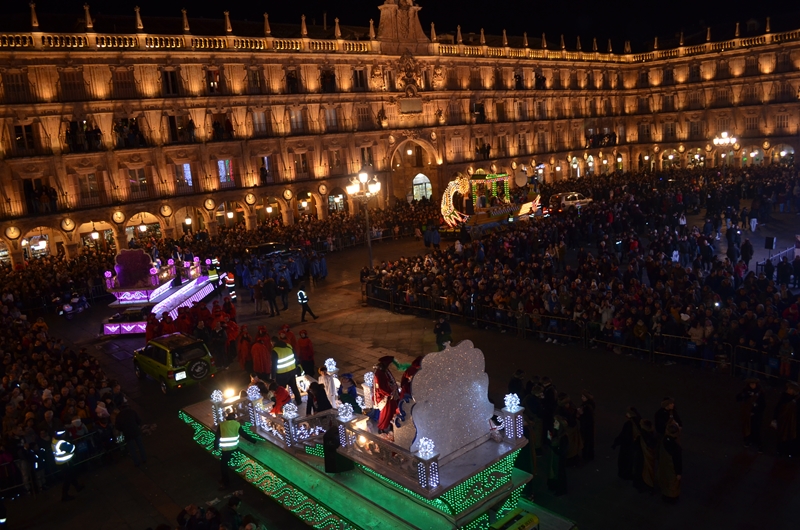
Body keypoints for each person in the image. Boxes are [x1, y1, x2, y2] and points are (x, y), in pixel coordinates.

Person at [214, 412, 260, 490]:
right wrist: (254, 441)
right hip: (234, 448)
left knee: (223, 467)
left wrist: (216, 447)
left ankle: (226, 483)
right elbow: (244, 435)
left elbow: (217, 437)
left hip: (225, 450)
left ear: (227, 418)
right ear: (234, 418)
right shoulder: (237, 424)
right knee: (237, 462)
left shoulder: (221, 425)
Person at [271, 335, 302, 405]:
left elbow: (274, 364)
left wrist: (273, 376)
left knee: (282, 390)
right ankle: (299, 401)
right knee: (294, 387)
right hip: (292, 371)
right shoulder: (288, 346)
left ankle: (284, 403)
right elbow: (295, 357)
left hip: (281, 374)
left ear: (272, 343)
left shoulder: (275, 350)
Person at [52, 430, 82, 501]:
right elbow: (71, 448)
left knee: (71, 475)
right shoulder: (61, 443)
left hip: (61, 463)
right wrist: (72, 444)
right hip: (65, 462)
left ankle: (77, 486)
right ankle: (64, 495)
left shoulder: (54, 441)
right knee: (67, 479)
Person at [736, 379, 766, 451]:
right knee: (747, 426)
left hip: (756, 414)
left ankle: (758, 443)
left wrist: (757, 410)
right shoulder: (746, 391)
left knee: (756, 428)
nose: (752, 385)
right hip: (747, 413)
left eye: (753, 384)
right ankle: (748, 440)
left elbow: (763, 404)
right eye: (751, 384)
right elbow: (738, 398)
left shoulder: (760, 392)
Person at [612, 407, 641, 480]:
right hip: (634, 445)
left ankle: (625, 474)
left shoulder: (628, 424)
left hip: (627, 446)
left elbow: (623, 435)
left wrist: (616, 442)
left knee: (624, 461)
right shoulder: (638, 421)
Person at [115, 402, 147, 467]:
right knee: (140, 446)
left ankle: (136, 462)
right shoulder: (132, 412)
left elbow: (117, 427)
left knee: (132, 449)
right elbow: (139, 420)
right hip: (135, 431)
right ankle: (144, 459)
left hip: (127, 434)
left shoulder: (119, 416)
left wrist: (123, 429)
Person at [657, 422, 682, 503]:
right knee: (672, 483)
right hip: (672, 468)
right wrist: (679, 473)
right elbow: (677, 460)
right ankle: (672, 498)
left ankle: (665, 495)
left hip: (664, 465)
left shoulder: (664, 439)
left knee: (665, 479)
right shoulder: (675, 446)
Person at [373, 356, 399, 433]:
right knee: (386, 413)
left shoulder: (385, 371)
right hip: (385, 397)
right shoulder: (379, 373)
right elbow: (381, 387)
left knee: (392, 411)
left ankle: (391, 425)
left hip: (390, 395)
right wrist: (389, 393)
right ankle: (382, 427)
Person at [772, 381, 798, 457]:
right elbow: (778, 408)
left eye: (790, 389)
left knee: (789, 436)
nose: (788, 390)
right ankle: (780, 450)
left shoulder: (796, 400)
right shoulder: (784, 397)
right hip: (782, 420)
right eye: (788, 389)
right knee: (781, 435)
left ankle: (788, 451)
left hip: (791, 421)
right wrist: (775, 418)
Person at [632, 419, 657, 494]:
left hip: (640, 457)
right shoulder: (651, 436)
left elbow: (635, 446)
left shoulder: (640, 436)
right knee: (648, 472)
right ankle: (649, 486)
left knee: (639, 471)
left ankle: (640, 486)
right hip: (647, 458)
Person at [547, 415, 569, 496]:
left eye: (556, 422)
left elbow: (561, 451)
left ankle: (561, 490)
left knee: (560, 474)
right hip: (556, 458)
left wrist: (553, 445)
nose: (554, 423)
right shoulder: (557, 432)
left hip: (560, 459)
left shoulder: (563, 437)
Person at [578, 390, 595, 461]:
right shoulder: (591, 405)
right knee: (589, 440)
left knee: (585, 441)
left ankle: (585, 456)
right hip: (590, 426)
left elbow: (584, 418)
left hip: (586, 426)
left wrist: (579, 415)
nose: (582, 398)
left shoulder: (586, 407)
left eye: (583, 397)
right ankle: (590, 455)